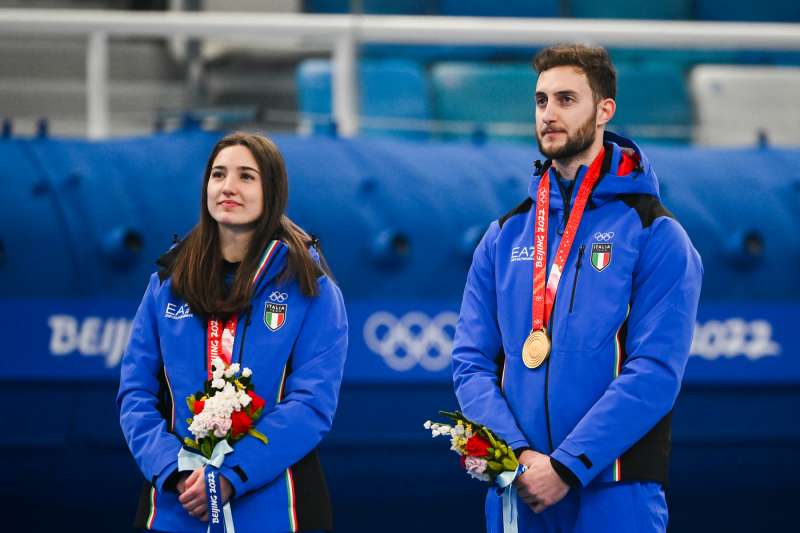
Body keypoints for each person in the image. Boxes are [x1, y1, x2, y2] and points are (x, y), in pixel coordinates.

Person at [451, 44, 703, 532]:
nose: (549, 113)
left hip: (617, 489)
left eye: (567, 99)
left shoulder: (655, 232)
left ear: (605, 109)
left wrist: (568, 465)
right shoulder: (504, 236)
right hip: (519, 490)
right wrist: (517, 457)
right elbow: (470, 362)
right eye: (541, 101)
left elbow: (654, 373)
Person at [117, 132, 348, 533]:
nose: (228, 187)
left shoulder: (311, 287)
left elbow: (311, 405)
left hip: (279, 507)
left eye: (246, 176)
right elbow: (135, 394)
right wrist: (173, 469)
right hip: (176, 504)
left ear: (271, 190)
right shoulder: (166, 284)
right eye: (218, 174)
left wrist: (230, 475)